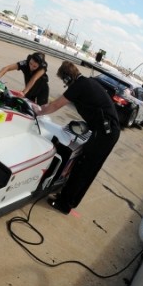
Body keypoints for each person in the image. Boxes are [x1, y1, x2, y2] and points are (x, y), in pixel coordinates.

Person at [30, 61, 120, 215]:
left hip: (104, 133)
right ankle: (69, 199)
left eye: (64, 80)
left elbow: (55, 105)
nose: (65, 84)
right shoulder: (86, 83)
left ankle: (64, 204)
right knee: (86, 167)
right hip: (106, 131)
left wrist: (38, 112)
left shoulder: (79, 86)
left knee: (84, 168)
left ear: (67, 77)